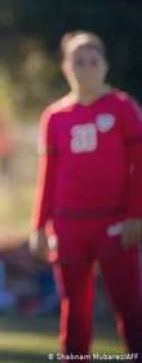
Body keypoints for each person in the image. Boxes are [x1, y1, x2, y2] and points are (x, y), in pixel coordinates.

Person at [29, 31, 142, 358]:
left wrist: (136, 215)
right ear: (66, 68)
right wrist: (38, 226)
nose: (86, 68)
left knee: (130, 306)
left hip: (115, 222)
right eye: (78, 61)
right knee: (75, 310)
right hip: (68, 226)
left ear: (104, 66)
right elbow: (47, 176)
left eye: (93, 61)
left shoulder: (123, 108)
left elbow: (138, 168)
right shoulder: (55, 117)